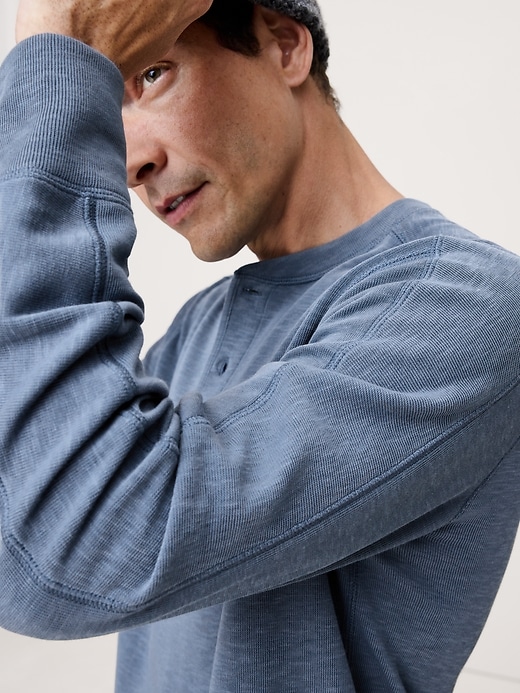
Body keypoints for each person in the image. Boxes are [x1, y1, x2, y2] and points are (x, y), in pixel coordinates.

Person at [0, 0, 519, 691]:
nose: (132, 161)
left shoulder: (467, 306)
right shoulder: (198, 325)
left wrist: (56, 61)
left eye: (152, 74)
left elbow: (66, 552)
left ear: (284, 45)